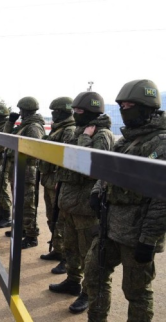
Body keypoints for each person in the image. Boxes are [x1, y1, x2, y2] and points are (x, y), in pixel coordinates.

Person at [84, 79, 166, 321]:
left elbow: (161, 198)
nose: (124, 110)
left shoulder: (160, 143)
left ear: (147, 107)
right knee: (93, 276)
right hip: (110, 226)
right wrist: (98, 189)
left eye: (130, 105)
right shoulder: (126, 140)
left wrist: (148, 239)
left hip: (137, 232)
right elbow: (109, 169)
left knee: (136, 291)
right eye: (122, 105)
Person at [49, 92, 114, 314]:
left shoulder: (101, 134)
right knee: (71, 247)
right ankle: (72, 281)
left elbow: (92, 167)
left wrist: (86, 139)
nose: (75, 115)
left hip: (86, 206)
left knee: (89, 254)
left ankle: (87, 292)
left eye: (79, 111)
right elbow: (67, 160)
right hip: (69, 200)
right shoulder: (79, 131)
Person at [2, 97, 45, 249]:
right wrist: (10, 123)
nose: (19, 113)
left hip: (27, 169)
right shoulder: (24, 125)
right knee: (18, 202)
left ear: (26, 110)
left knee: (27, 204)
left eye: (21, 110)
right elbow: (6, 139)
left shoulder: (33, 127)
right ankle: (21, 229)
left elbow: (35, 149)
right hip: (19, 167)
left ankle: (31, 236)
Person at [38, 97, 76, 274]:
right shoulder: (57, 128)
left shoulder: (69, 130)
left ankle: (65, 258)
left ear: (63, 112)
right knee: (51, 216)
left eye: (55, 111)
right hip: (49, 179)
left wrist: (60, 180)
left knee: (60, 220)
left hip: (57, 180)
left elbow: (66, 157)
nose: (53, 114)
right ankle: (58, 249)